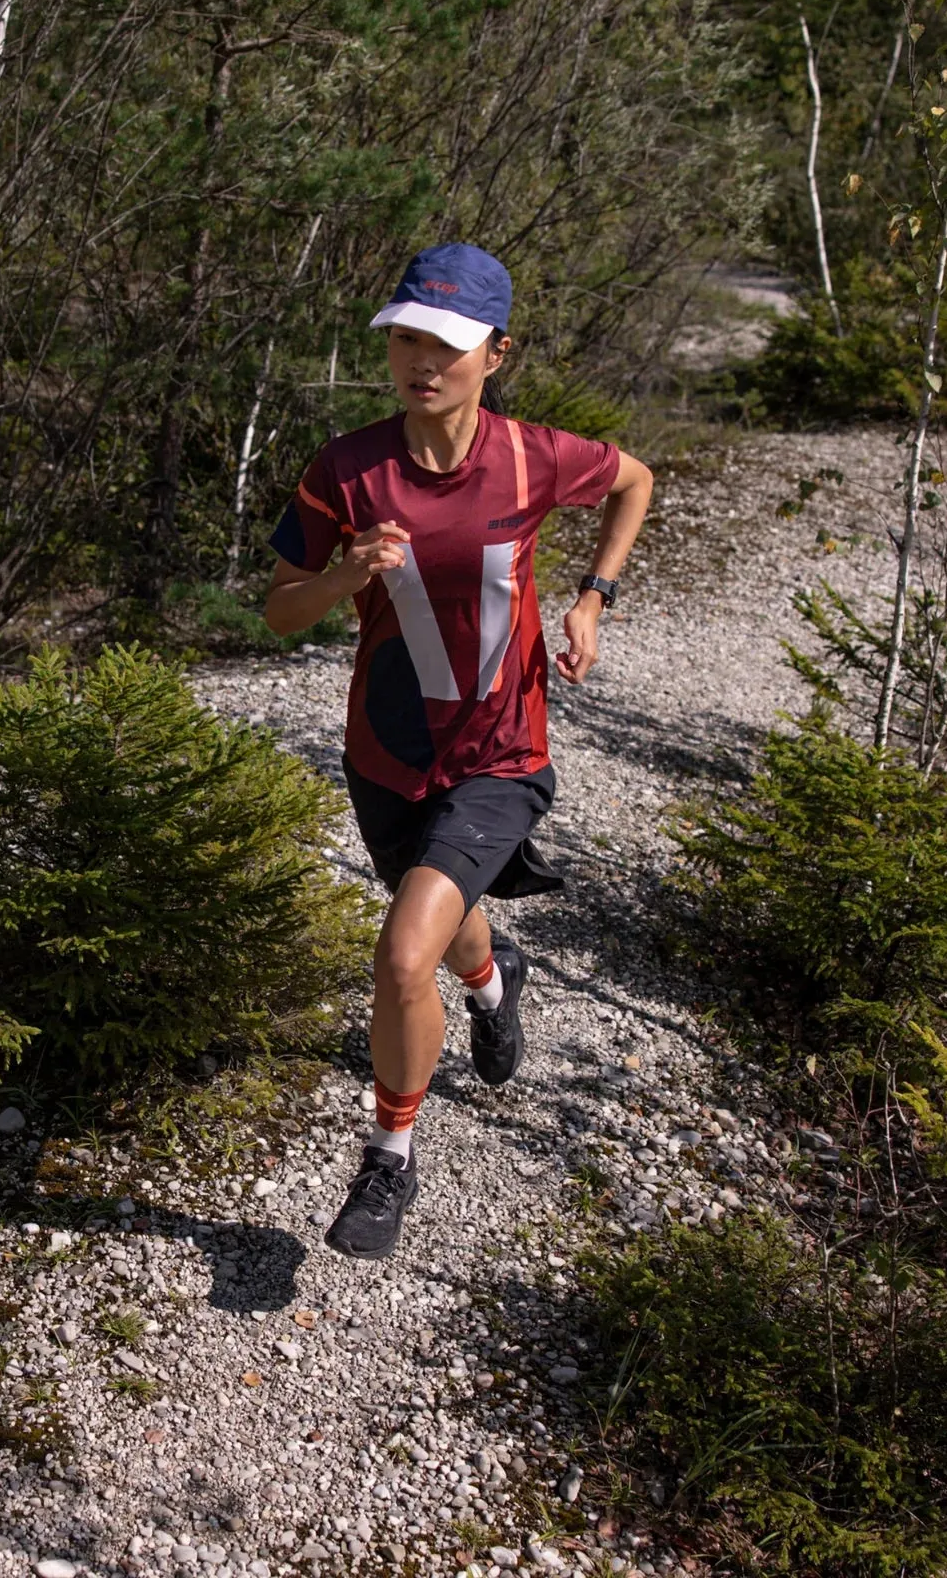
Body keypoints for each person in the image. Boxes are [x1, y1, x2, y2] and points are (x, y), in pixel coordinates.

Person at [263, 242, 654, 1260]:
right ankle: (495, 982)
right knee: (446, 926)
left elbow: (636, 482)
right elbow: (278, 612)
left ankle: (389, 1158)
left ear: (495, 353)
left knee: (401, 953)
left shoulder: (530, 458)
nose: (420, 358)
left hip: (499, 752)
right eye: (404, 337)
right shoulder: (345, 470)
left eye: (444, 342)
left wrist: (591, 599)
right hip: (387, 749)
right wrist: (344, 574)